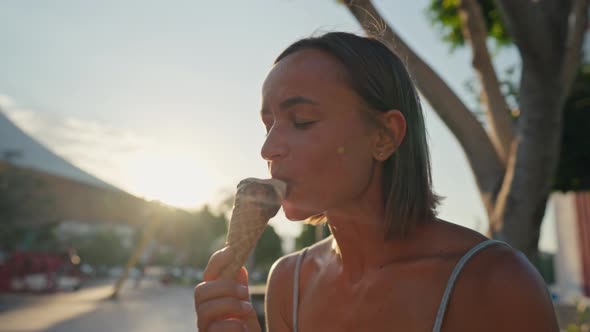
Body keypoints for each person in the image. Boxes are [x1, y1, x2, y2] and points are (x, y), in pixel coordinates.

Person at [194, 32, 559, 332]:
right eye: (268, 124)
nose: (268, 148)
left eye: (302, 120)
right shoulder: (288, 282)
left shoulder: (496, 282)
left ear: (384, 136)